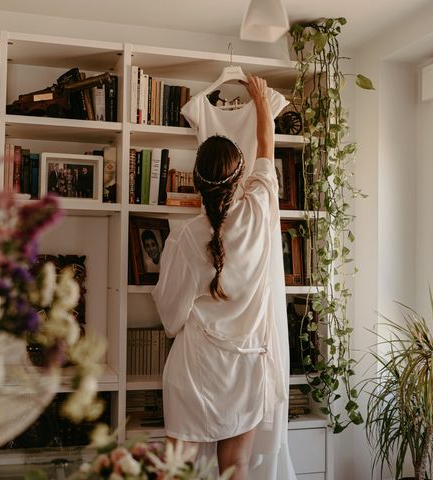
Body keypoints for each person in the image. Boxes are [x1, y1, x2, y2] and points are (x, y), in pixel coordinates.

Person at [152, 75, 291, 480]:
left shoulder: (184, 238)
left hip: (195, 369)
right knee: (236, 468)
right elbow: (267, 148)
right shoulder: (261, 210)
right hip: (246, 367)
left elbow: (171, 316)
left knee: (176, 471)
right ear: (242, 175)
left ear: (196, 181)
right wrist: (262, 102)